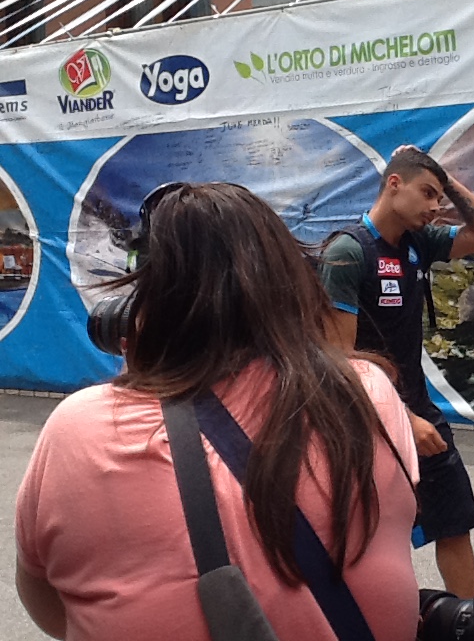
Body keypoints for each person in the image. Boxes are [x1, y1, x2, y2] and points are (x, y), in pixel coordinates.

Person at [15, 183, 421, 641]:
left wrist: (145, 368)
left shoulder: (81, 429)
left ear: (143, 305)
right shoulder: (368, 392)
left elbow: (49, 602)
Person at [320, 145, 474, 598]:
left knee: (453, 521)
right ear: (393, 183)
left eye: (439, 197)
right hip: (364, 420)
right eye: (427, 193)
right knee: (371, 542)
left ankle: (468, 622)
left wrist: (446, 180)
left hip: (419, 411)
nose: (435, 206)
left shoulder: (418, 243)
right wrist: (401, 420)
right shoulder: (347, 253)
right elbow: (340, 360)